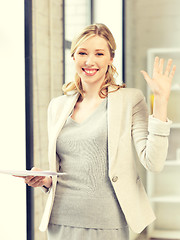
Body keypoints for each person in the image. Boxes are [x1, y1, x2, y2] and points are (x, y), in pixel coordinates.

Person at [20, 23, 176, 239]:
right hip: (60, 221)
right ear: (73, 57)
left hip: (107, 222)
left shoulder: (130, 100)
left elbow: (154, 162)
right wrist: (45, 180)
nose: (90, 61)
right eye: (82, 53)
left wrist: (160, 101)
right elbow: (66, 167)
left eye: (99, 53)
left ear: (111, 58)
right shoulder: (57, 106)